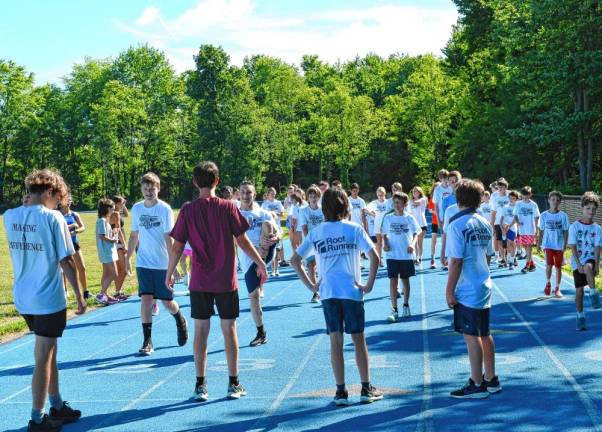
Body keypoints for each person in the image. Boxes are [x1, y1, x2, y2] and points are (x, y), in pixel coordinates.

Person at [167, 161, 268, 402]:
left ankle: (200, 385)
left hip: (200, 280)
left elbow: (178, 246)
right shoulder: (227, 207)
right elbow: (242, 241)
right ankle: (233, 383)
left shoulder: (188, 210)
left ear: (194, 182)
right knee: (229, 329)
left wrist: (169, 272)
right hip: (225, 279)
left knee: (201, 331)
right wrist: (260, 262)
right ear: (217, 181)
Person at [4, 169, 85, 431]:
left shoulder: (10, 215)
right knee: (43, 356)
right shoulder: (54, 218)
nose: (59, 204)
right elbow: (67, 260)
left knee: (49, 352)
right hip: (47, 297)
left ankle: (57, 404)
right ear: (49, 192)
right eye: (57, 198)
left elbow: (23, 213)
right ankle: (37, 419)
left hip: (23, 296)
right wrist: (81, 297)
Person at [291, 187, 383, 406]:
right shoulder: (354, 229)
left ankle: (341, 391)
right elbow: (375, 257)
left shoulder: (317, 232)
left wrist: (312, 286)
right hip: (351, 292)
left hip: (329, 293)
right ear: (346, 205)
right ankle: (365, 387)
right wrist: (368, 284)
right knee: (359, 341)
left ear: (324, 208)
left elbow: (295, 260)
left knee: (336, 342)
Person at [445, 178, 500, 399]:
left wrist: (449, 290)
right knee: (485, 334)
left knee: (471, 336)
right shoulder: (484, 222)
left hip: (468, 288)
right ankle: (491, 378)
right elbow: (487, 255)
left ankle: (476, 383)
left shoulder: (457, 225)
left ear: (459, 199)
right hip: (484, 283)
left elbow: (456, 262)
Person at [125, 172, 188, 356]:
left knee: (167, 302)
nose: (148, 192)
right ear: (141, 190)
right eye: (145, 188)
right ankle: (147, 341)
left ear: (158, 189)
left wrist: (173, 264)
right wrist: (128, 258)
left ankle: (179, 318)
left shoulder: (165, 209)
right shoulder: (136, 209)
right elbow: (134, 235)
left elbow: (169, 237)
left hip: (162, 264)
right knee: (145, 300)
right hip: (144, 263)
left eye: (152, 188)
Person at [238, 181, 280, 346]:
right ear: (239, 194)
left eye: (249, 192)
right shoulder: (236, 214)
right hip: (247, 256)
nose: (246, 195)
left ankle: (260, 333)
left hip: (265, 252)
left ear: (254, 194)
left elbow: (277, 232)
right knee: (253, 297)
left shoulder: (263, 213)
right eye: (243, 192)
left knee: (268, 224)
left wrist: (274, 239)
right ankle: (261, 332)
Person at [382, 192, 420, 321]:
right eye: (395, 203)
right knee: (393, 281)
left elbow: (416, 234)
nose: (396, 205)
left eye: (399, 203)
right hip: (392, 254)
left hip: (406, 255)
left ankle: (405, 305)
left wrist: (413, 245)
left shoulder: (409, 218)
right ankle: (394, 309)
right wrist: (385, 244)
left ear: (405, 204)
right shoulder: (388, 218)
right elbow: (385, 234)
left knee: (405, 281)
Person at [568, 192, 601, 331]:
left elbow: (598, 247)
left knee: (588, 267)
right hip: (577, 261)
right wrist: (578, 264)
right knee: (579, 292)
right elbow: (573, 246)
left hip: (590, 259)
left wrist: (598, 264)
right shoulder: (575, 226)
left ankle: (593, 294)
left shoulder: (598, 228)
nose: (591, 211)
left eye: (593, 209)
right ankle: (580, 316)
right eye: (588, 208)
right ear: (582, 208)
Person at [537, 191, 569, 297]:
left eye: (557, 200)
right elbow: (541, 230)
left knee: (558, 267)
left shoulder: (563, 216)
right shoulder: (544, 215)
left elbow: (565, 231)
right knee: (549, 265)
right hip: (548, 244)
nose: (555, 202)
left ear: (560, 202)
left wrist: (564, 244)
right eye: (553, 199)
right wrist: (538, 243)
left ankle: (557, 288)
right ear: (549, 200)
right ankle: (548, 283)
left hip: (559, 245)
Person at [298, 185, 325, 303]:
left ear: (319, 197)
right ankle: (315, 292)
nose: (313, 198)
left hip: (323, 243)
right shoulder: (304, 211)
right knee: (311, 267)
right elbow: (304, 228)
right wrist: (311, 242)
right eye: (311, 196)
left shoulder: (323, 210)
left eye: (315, 196)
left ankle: (325, 289)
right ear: (308, 197)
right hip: (310, 243)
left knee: (323, 268)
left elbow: (326, 226)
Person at [58, 196, 88, 300]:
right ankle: (65, 291)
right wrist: (71, 226)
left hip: (74, 243)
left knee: (82, 267)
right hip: (63, 244)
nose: (69, 202)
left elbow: (82, 227)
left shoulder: (74, 214)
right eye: (67, 200)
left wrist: (76, 231)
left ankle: (85, 291)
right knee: (64, 269)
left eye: (70, 200)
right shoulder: (57, 215)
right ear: (61, 202)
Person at [95, 198, 120, 305]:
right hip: (107, 252)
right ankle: (101, 294)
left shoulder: (105, 221)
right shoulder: (102, 221)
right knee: (114, 273)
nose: (113, 210)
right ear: (107, 209)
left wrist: (114, 232)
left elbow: (105, 235)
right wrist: (113, 240)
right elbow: (102, 236)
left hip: (108, 251)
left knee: (106, 274)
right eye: (112, 208)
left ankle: (105, 294)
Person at [513, 186, 540, 273]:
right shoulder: (518, 204)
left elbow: (536, 217)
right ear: (521, 195)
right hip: (522, 229)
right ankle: (532, 264)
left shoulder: (533, 205)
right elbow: (515, 215)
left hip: (531, 229)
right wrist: (518, 222)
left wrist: (536, 229)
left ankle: (527, 265)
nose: (525, 197)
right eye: (524, 195)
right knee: (525, 246)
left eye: (527, 195)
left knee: (529, 247)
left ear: (530, 195)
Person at [440, 172, 462, 271]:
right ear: (448, 183)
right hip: (453, 242)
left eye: (456, 181)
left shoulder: (469, 198)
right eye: (451, 182)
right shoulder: (446, 201)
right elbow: (446, 229)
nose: (454, 183)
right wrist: (443, 251)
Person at [110, 195, 130, 300]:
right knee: (124, 269)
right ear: (117, 204)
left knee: (120, 269)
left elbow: (126, 214)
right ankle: (117, 292)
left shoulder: (116, 212)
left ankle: (118, 291)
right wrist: (124, 244)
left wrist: (124, 204)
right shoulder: (115, 214)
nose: (123, 205)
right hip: (118, 243)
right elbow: (118, 230)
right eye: (122, 203)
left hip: (118, 243)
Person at [366, 187, 388, 266]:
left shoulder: (388, 202)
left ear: (384, 194)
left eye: (381, 194)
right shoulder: (374, 203)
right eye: (378, 195)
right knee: (379, 244)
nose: (380, 196)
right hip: (378, 225)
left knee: (388, 243)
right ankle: (379, 260)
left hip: (387, 226)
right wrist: (373, 214)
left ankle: (391, 259)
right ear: (377, 195)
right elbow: (365, 209)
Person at [490, 178, 510, 265]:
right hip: (498, 222)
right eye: (498, 188)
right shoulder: (495, 197)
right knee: (499, 241)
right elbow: (493, 212)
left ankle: (510, 258)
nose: (500, 189)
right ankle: (503, 259)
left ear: (506, 187)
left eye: (502, 187)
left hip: (508, 223)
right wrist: (492, 224)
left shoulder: (510, 196)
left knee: (508, 241)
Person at [500, 191, 519, 269]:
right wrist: (502, 226)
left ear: (516, 199)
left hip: (513, 228)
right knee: (508, 245)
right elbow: (502, 217)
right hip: (505, 227)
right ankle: (510, 260)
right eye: (510, 198)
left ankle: (511, 261)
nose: (512, 199)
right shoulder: (505, 207)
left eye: (513, 198)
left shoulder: (517, 207)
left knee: (512, 243)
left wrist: (509, 226)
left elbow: (515, 219)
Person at [410, 186, 428, 264]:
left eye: (416, 191)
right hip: (413, 224)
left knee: (420, 242)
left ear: (420, 192)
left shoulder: (423, 199)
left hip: (422, 223)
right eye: (413, 191)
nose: (414, 193)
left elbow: (416, 203)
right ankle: (416, 258)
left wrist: (409, 201)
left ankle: (420, 257)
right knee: (415, 242)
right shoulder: (410, 201)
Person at [427, 182, 440, 269]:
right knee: (433, 240)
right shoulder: (431, 199)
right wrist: (439, 213)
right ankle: (432, 259)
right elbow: (430, 210)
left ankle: (446, 260)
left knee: (446, 241)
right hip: (435, 222)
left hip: (443, 222)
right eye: (436, 188)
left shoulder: (444, 198)